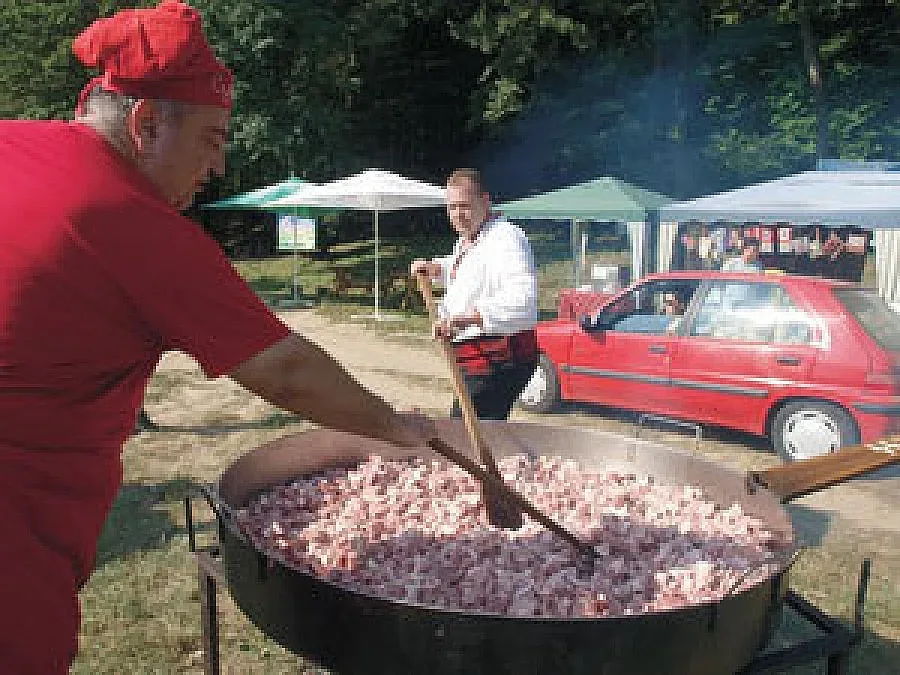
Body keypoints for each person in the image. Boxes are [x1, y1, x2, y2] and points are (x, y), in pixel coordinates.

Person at [0, 2, 434, 672]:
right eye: (211, 138)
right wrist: (397, 429)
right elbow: (284, 370)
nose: (220, 164)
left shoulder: (11, 142)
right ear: (146, 124)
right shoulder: (128, 220)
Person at [410, 169, 538, 420]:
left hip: (498, 361)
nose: (458, 215)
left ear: (485, 201)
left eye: (465, 206)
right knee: (470, 431)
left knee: (469, 435)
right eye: (452, 208)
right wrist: (438, 269)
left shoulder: (506, 239)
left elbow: (523, 302)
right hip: (477, 361)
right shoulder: (471, 239)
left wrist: (463, 320)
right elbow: (473, 273)